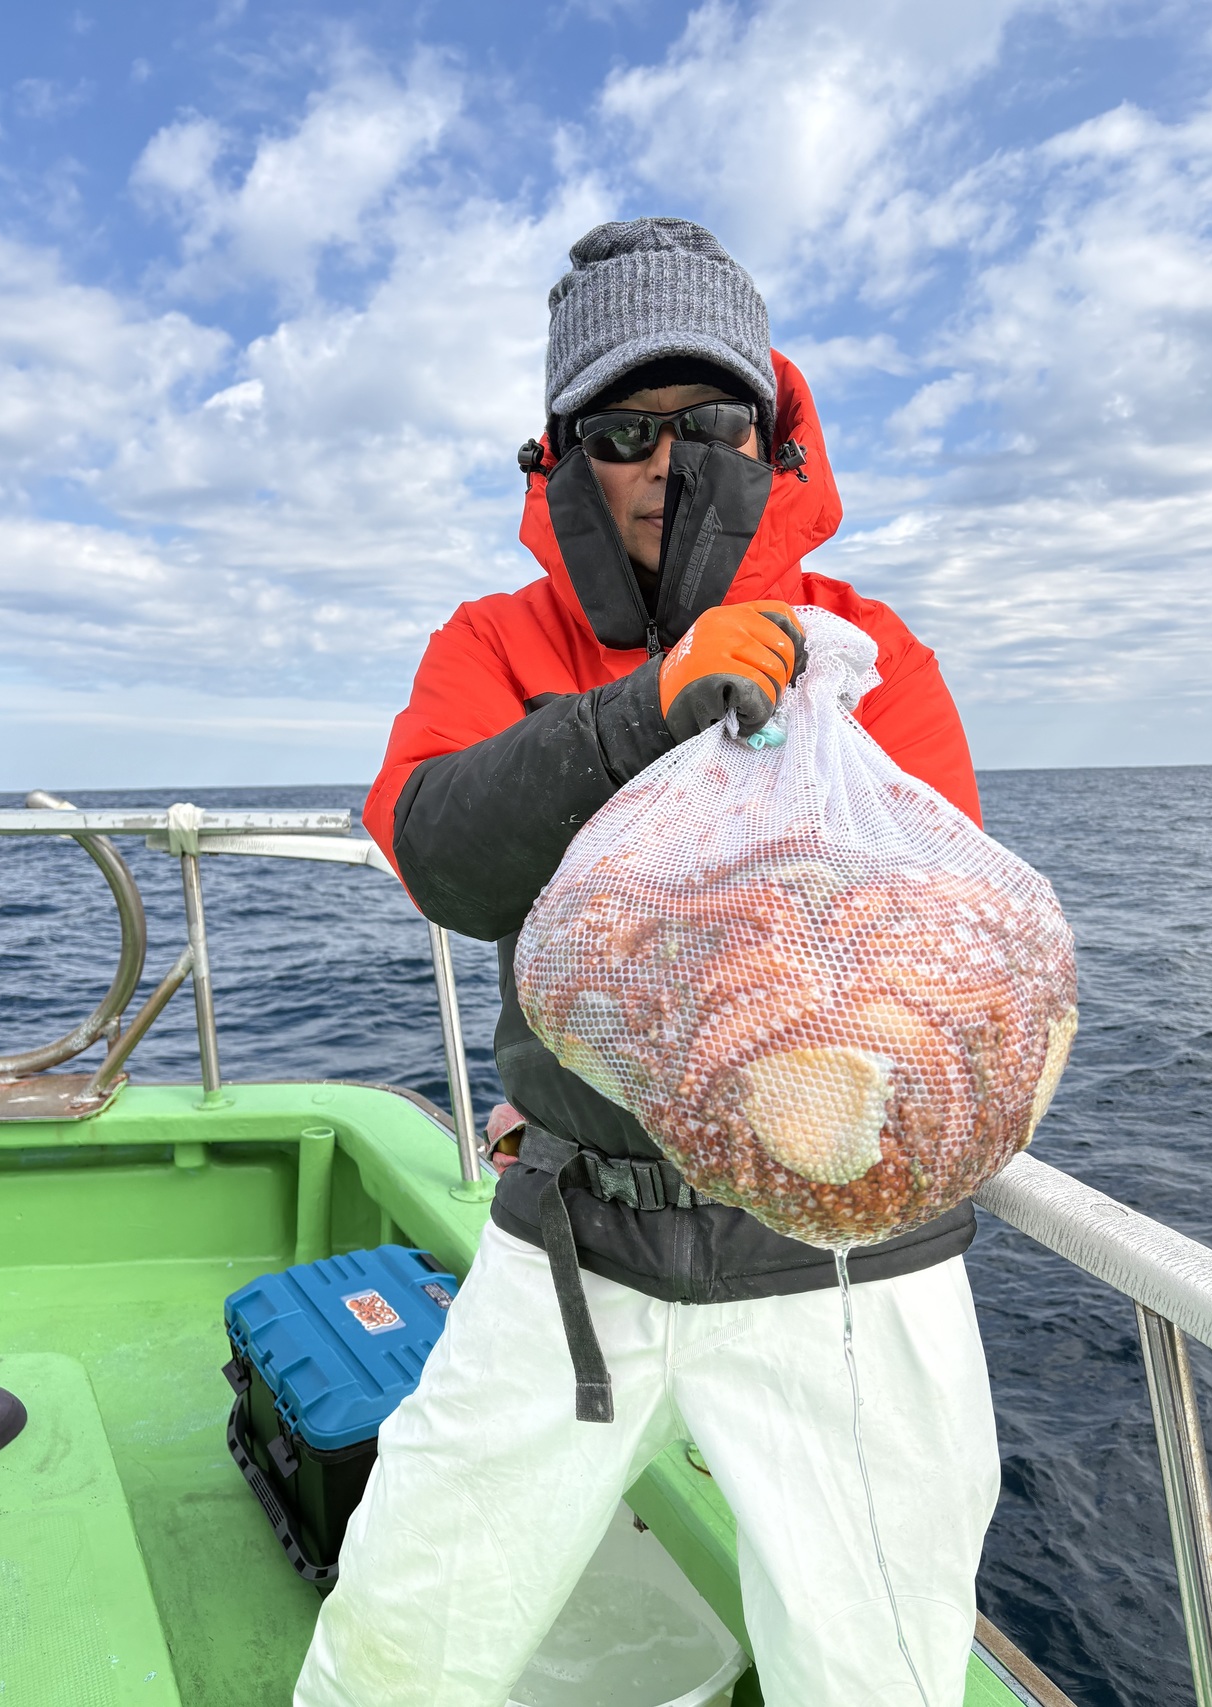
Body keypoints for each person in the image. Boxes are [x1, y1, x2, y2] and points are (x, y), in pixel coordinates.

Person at [295, 218, 1000, 1707]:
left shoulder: (872, 658)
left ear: (771, 438)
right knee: (403, 1633)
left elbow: (934, 952)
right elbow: (440, 853)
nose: (668, 464)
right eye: (623, 430)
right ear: (564, 458)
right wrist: (645, 711)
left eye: (711, 422)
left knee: (880, 1672)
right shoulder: (493, 645)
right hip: (574, 1237)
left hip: (844, 1262)